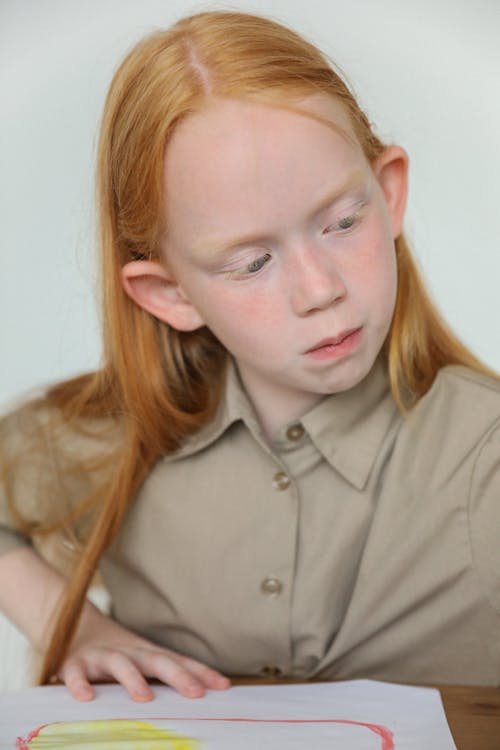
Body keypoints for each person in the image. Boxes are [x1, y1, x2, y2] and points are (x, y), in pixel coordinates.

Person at [0, 10, 499, 704]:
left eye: (343, 222)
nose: (321, 290)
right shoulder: (104, 441)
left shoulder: (485, 457)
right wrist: (74, 630)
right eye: (253, 261)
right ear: (170, 293)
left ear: (389, 194)